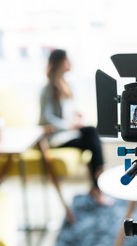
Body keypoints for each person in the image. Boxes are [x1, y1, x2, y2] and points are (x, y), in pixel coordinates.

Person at [39, 49, 112, 206]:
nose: (70, 63)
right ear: (59, 63)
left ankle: (98, 180)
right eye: (67, 60)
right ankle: (99, 178)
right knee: (92, 139)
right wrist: (70, 125)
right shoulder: (48, 89)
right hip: (55, 137)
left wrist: (76, 116)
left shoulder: (65, 85)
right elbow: (47, 119)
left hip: (67, 133)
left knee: (92, 131)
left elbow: (67, 112)